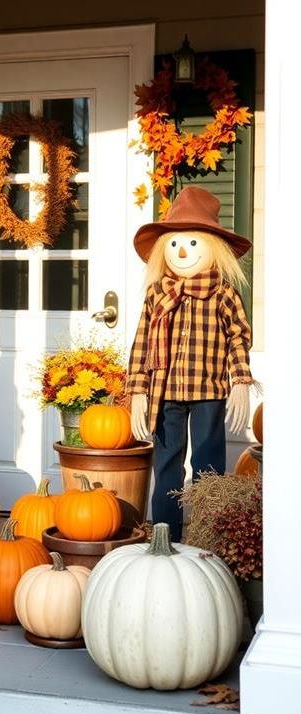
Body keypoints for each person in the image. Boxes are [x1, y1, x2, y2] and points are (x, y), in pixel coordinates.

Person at [126, 185, 254, 541]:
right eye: (174, 243)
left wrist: (241, 380)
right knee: (166, 464)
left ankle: (207, 534)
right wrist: (137, 390)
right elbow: (141, 343)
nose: (182, 250)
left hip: (208, 391)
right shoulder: (157, 294)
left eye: (193, 242)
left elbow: (239, 337)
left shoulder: (223, 293)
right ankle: (164, 536)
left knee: (207, 466)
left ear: (212, 248)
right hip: (164, 392)